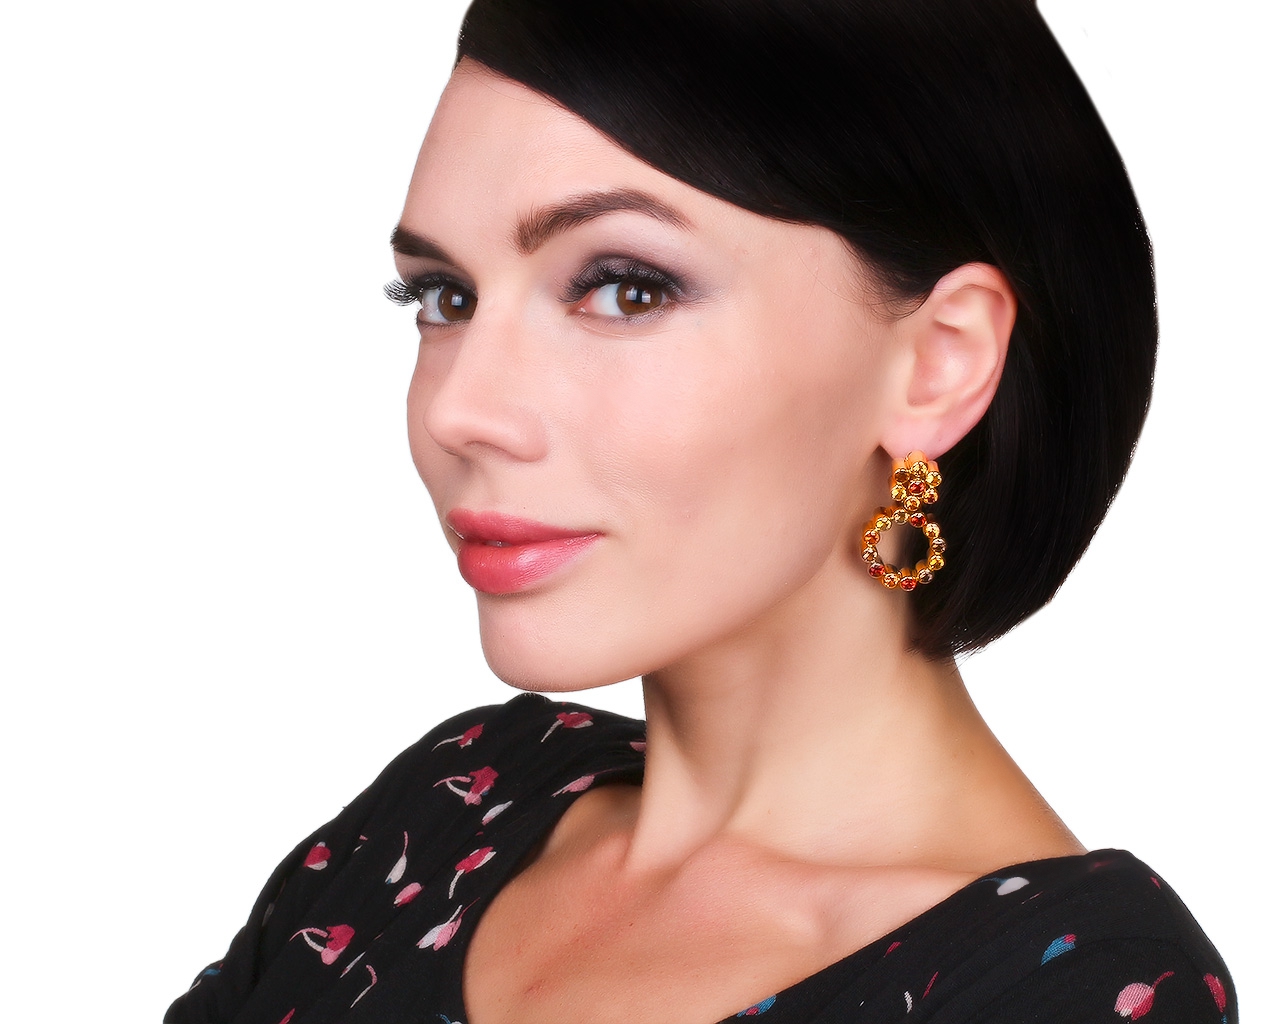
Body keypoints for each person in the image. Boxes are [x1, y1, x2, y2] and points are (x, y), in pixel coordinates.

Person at [165, 0, 1235, 1021]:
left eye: (624, 287)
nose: (458, 411)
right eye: (446, 297)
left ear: (936, 363)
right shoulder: (453, 805)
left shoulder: (1071, 992)